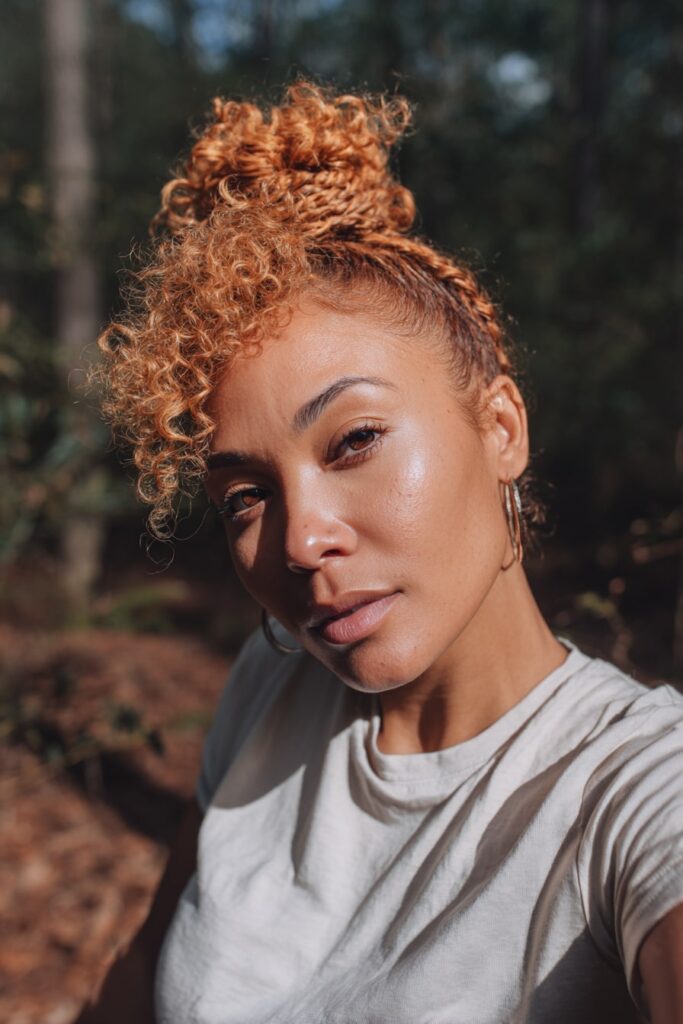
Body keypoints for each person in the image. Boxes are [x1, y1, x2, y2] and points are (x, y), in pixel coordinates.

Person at [77, 82, 683, 1024]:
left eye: (353, 441)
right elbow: (148, 958)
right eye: (246, 496)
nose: (302, 540)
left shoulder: (634, 790)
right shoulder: (269, 687)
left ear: (500, 427)